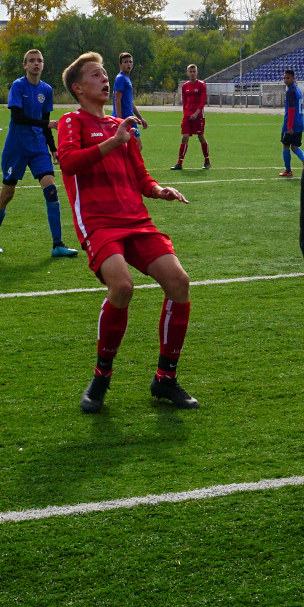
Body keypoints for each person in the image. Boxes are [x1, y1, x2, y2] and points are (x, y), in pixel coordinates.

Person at [57, 52, 197, 413]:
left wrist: (158, 190)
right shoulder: (70, 121)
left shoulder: (123, 126)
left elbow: (140, 177)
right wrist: (114, 141)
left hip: (136, 219)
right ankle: (101, 377)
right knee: (122, 287)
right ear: (78, 87)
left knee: (179, 282)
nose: (104, 80)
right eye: (96, 75)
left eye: (105, 74)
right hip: (98, 221)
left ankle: (165, 379)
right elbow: (70, 163)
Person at [0, 49, 78, 258]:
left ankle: (58, 245)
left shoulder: (46, 90)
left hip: (38, 148)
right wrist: (46, 123)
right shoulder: (18, 86)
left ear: (43, 65)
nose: (36, 64)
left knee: (52, 191)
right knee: (7, 195)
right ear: (25, 66)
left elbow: (45, 121)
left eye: (39, 61)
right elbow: (18, 117)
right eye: (32, 61)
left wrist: (53, 148)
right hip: (16, 148)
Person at [172, 64, 210, 170]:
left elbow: (203, 101)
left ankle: (207, 160)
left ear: (197, 73)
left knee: (200, 137)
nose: (192, 73)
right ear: (187, 73)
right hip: (188, 115)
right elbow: (184, 102)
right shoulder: (185, 86)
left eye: (194, 72)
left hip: (198, 116)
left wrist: (196, 113)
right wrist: (185, 114)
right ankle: (179, 163)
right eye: (190, 72)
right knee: (184, 137)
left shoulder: (202, 85)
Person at [113, 52, 145, 145]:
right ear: (120, 64)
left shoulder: (127, 78)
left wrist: (140, 118)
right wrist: (119, 120)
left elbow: (129, 101)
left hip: (130, 118)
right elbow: (117, 99)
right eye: (126, 62)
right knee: (137, 147)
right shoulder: (120, 78)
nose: (129, 64)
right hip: (124, 119)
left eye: (130, 62)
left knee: (135, 148)